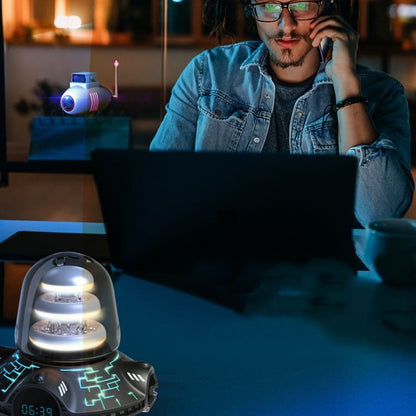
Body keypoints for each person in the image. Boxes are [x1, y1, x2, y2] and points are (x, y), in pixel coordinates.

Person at [150, 0, 414, 227]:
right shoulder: (207, 74)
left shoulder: (383, 92)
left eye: (301, 5)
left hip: (329, 280)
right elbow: (157, 194)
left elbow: (379, 214)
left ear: (327, 7)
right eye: (268, 6)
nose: (285, 24)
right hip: (221, 273)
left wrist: (346, 83)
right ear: (251, 9)